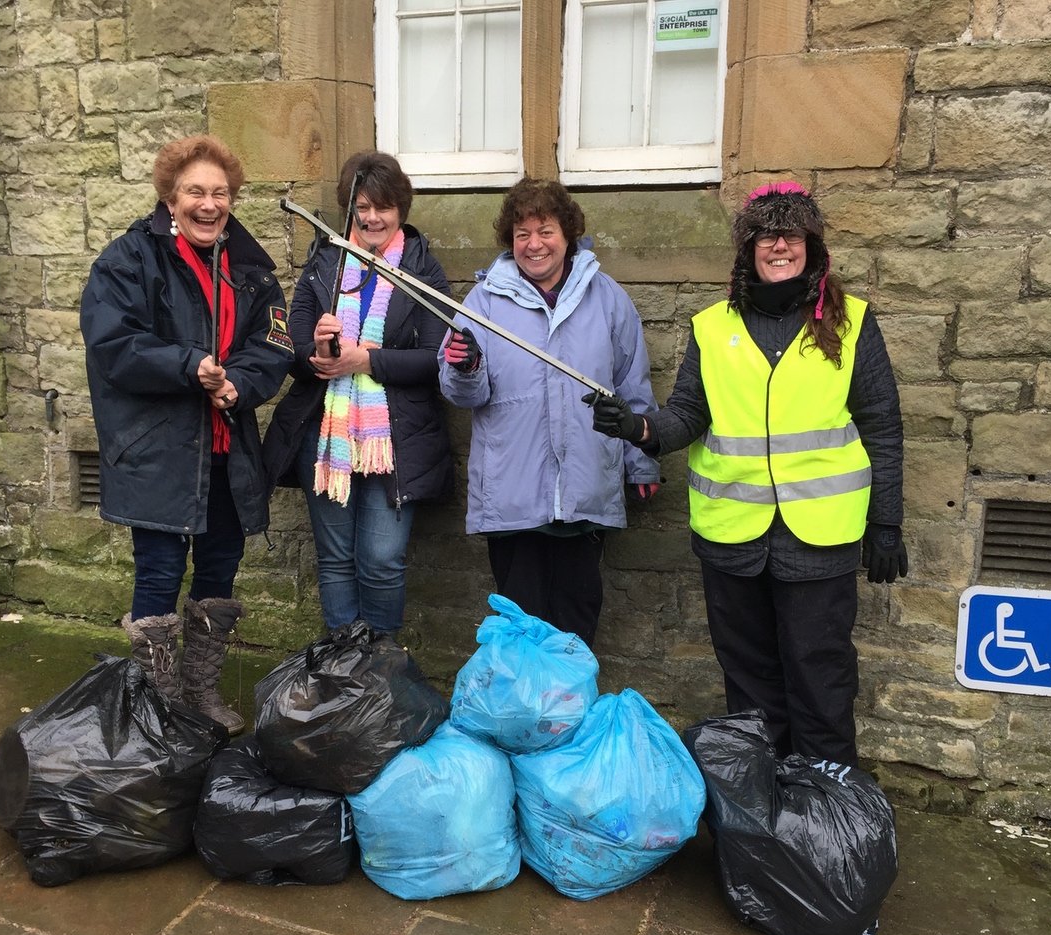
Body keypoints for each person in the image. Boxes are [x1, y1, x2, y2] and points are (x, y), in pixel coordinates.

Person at [585, 182, 906, 764]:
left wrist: (887, 525)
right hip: (732, 539)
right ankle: (765, 814)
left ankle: (827, 815)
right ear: (748, 249)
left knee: (821, 679)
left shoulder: (853, 323)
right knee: (750, 685)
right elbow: (688, 414)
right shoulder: (712, 327)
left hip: (820, 540)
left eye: (791, 234)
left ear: (812, 245)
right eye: (765, 235)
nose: (778, 245)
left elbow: (882, 427)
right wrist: (638, 429)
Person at [81, 134, 294, 735]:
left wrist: (240, 385)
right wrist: (186, 366)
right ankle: (156, 706)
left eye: (220, 192)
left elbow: (273, 343)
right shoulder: (127, 260)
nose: (209, 203)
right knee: (158, 573)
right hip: (159, 451)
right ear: (170, 198)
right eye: (195, 191)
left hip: (229, 452)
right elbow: (112, 344)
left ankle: (200, 694)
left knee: (218, 574)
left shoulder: (251, 268)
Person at [439, 177, 660, 647]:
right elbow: (462, 393)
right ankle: (525, 720)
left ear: (568, 235)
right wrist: (465, 367)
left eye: (546, 232)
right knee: (520, 624)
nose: (534, 245)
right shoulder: (482, 303)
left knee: (576, 622)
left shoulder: (608, 299)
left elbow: (631, 386)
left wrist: (643, 460)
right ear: (510, 240)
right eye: (522, 234)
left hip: (584, 487)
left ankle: (569, 718)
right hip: (512, 493)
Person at [262, 151, 453, 635]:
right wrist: (320, 353)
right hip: (326, 433)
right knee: (336, 559)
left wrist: (368, 360)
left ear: (401, 209)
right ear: (348, 208)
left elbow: (437, 358)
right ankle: (343, 669)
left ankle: (380, 673)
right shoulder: (324, 263)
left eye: (382, 207)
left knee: (382, 559)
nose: (371, 217)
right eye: (361, 206)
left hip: (396, 438)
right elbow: (295, 349)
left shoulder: (421, 269)